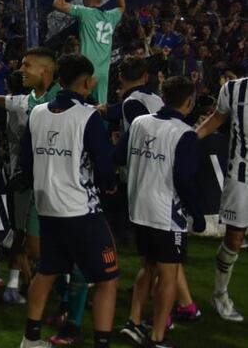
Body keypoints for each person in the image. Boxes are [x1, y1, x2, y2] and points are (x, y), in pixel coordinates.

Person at [17, 54, 119, 348]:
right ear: (87, 82)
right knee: (107, 279)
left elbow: (26, 159)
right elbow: (103, 166)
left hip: (48, 208)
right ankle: (102, 343)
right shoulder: (88, 116)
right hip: (81, 211)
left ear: (59, 79)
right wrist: (109, 184)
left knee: (47, 272)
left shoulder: (37, 114)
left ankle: (30, 339)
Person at [117, 76, 205, 347]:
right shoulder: (184, 133)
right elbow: (184, 179)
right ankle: (157, 336)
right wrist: (198, 215)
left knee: (148, 267)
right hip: (166, 213)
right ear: (189, 103)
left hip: (138, 208)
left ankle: (133, 322)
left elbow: (117, 156)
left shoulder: (140, 123)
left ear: (163, 96)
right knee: (168, 274)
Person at [0, 47, 60, 305]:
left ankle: (57, 284)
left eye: (26, 66)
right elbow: (1, 100)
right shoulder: (23, 101)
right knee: (23, 236)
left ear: (44, 70)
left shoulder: (60, 98)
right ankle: (20, 284)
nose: (20, 70)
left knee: (50, 237)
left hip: (56, 181)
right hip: (23, 179)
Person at [195, 73, 248, 322]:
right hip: (241, 176)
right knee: (235, 238)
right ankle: (220, 294)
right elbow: (217, 118)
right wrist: (189, 139)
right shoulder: (234, 89)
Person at [52, 0, 126, 103]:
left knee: (80, 104)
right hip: (103, 71)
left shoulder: (85, 12)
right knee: (100, 106)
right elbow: (122, 7)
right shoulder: (111, 16)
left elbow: (57, 4)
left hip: (86, 69)